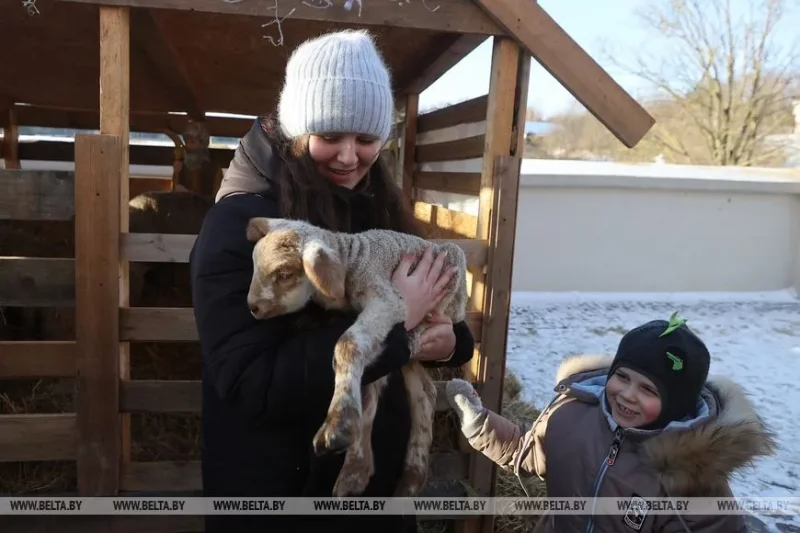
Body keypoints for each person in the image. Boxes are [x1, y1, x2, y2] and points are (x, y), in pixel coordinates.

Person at [189, 29, 475, 533]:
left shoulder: (375, 207)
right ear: (297, 130)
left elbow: (435, 319)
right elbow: (249, 382)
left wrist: (452, 340)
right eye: (330, 137)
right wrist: (397, 319)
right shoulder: (243, 229)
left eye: (366, 140)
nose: (349, 157)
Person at [446, 313, 777, 533]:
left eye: (648, 389)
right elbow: (529, 452)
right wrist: (479, 424)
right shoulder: (572, 416)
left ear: (675, 404)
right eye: (622, 377)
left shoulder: (691, 474)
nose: (627, 395)